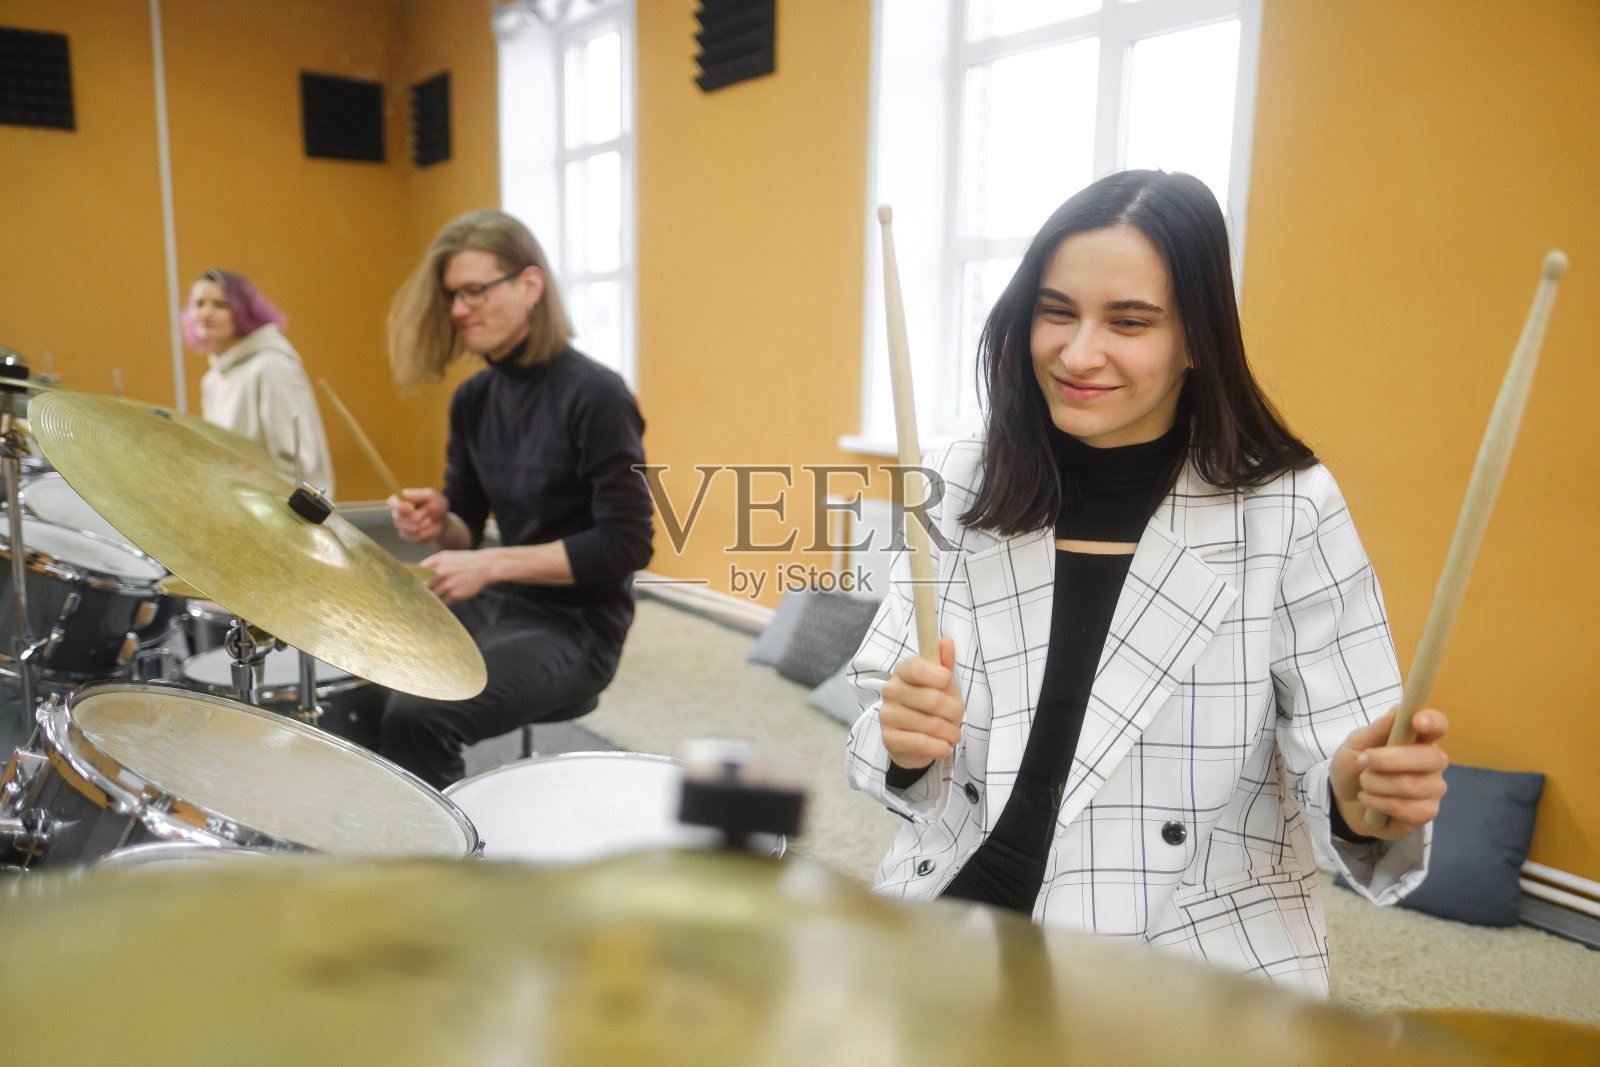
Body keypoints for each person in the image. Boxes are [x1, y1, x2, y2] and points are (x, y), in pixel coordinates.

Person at [845, 170, 1449, 994]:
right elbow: (884, 704)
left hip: (1183, 959)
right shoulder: (962, 475)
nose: (1078, 351)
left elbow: (1343, 761)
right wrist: (905, 739)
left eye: (1128, 322)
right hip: (963, 907)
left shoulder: (1289, 507)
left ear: (1198, 338)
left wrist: (1359, 793)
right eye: (1057, 311)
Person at [382, 210, 653, 788]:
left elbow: (629, 542)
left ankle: (447, 868)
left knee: (420, 715)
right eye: (452, 296)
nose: (458, 311)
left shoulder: (597, 394)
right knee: (370, 661)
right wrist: (440, 519)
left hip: (578, 627)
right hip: (501, 603)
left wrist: (491, 564)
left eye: (474, 291)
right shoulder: (473, 399)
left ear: (530, 286)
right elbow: (466, 527)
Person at [182, 269, 336, 495]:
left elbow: (294, 464)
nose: (206, 312)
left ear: (243, 311)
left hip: (278, 515)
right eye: (199, 303)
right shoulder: (213, 379)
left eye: (220, 304)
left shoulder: (271, 366)